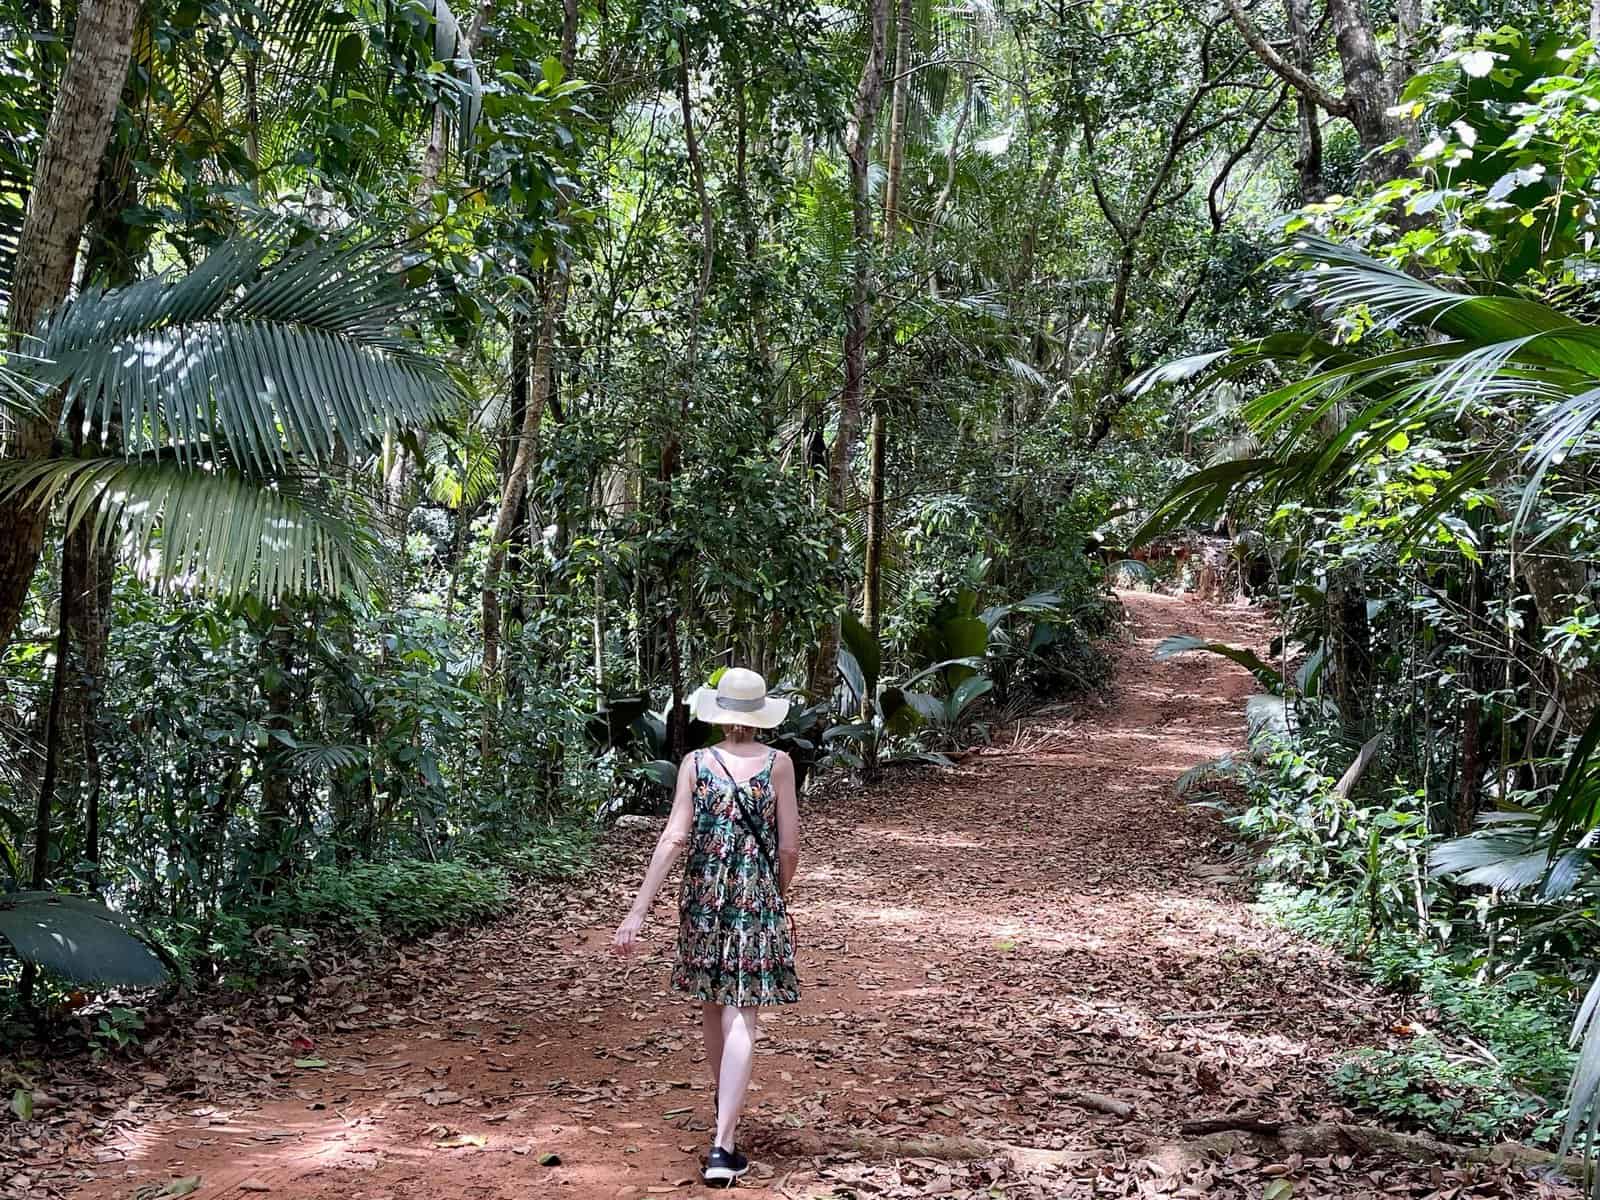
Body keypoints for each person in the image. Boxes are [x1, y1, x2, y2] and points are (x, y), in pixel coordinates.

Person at [612, 667, 800, 1187]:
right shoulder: (779, 764)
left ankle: (724, 1117)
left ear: (719, 714)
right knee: (745, 1010)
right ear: (761, 716)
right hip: (756, 897)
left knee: (712, 1004)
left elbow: (673, 838)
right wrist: (775, 893)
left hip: (703, 896)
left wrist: (638, 909)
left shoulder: (696, 763)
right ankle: (724, 1143)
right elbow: (788, 847)